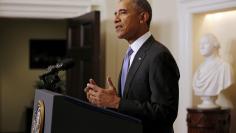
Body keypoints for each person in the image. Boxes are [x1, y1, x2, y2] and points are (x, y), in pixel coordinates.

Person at [84, 0, 180, 132]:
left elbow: (166, 113)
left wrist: (116, 102)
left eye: (122, 13)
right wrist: (111, 101)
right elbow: (133, 103)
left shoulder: (159, 55)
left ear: (142, 17)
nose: (116, 19)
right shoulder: (130, 54)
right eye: (115, 14)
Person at [193, 33, 234, 108]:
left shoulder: (225, 67)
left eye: (205, 43)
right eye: (200, 44)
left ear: (215, 45)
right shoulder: (199, 69)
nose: (201, 47)